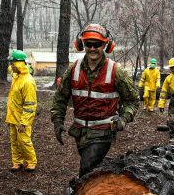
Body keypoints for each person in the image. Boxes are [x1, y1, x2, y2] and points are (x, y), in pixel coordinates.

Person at [51, 23, 139, 177]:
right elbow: (60, 97)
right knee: (92, 169)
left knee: (86, 169)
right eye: (88, 44)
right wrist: (57, 121)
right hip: (80, 132)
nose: (92, 48)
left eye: (97, 44)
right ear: (81, 45)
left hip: (103, 133)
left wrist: (124, 118)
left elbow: (133, 100)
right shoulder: (74, 68)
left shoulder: (115, 71)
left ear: (106, 45)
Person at [5, 50, 38, 172]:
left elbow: (30, 105)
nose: (11, 66)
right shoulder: (16, 75)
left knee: (24, 141)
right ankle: (17, 162)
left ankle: (31, 162)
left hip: (21, 118)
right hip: (13, 116)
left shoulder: (28, 82)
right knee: (14, 141)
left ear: (20, 63)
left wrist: (24, 122)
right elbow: (10, 68)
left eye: (13, 63)